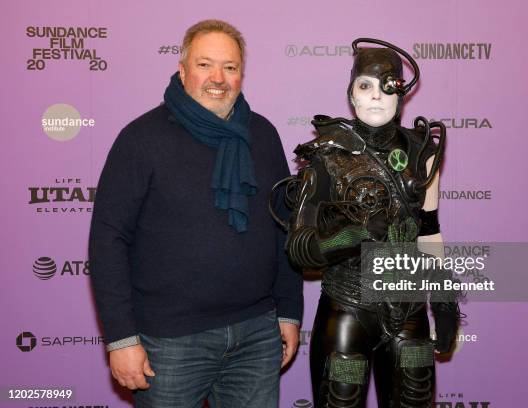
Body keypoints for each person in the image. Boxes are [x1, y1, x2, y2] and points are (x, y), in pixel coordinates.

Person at [89, 19, 302, 408]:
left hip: (256, 333)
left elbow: (284, 230)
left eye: (230, 67)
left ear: (242, 74)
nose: (217, 78)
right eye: (205, 65)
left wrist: (288, 311)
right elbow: (108, 239)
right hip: (169, 342)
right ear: (183, 70)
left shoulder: (263, 135)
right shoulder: (141, 139)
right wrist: (121, 339)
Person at [269, 38, 460, 407]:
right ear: (352, 94)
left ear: (400, 94)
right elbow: (298, 248)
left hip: (409, 310)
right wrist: (353, 235)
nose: (375, 96)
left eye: (386, 86)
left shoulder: (423, 154)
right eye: (365, 86)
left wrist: (444, 302)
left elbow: (429, 231)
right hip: (347, 312)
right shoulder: (326, 157)